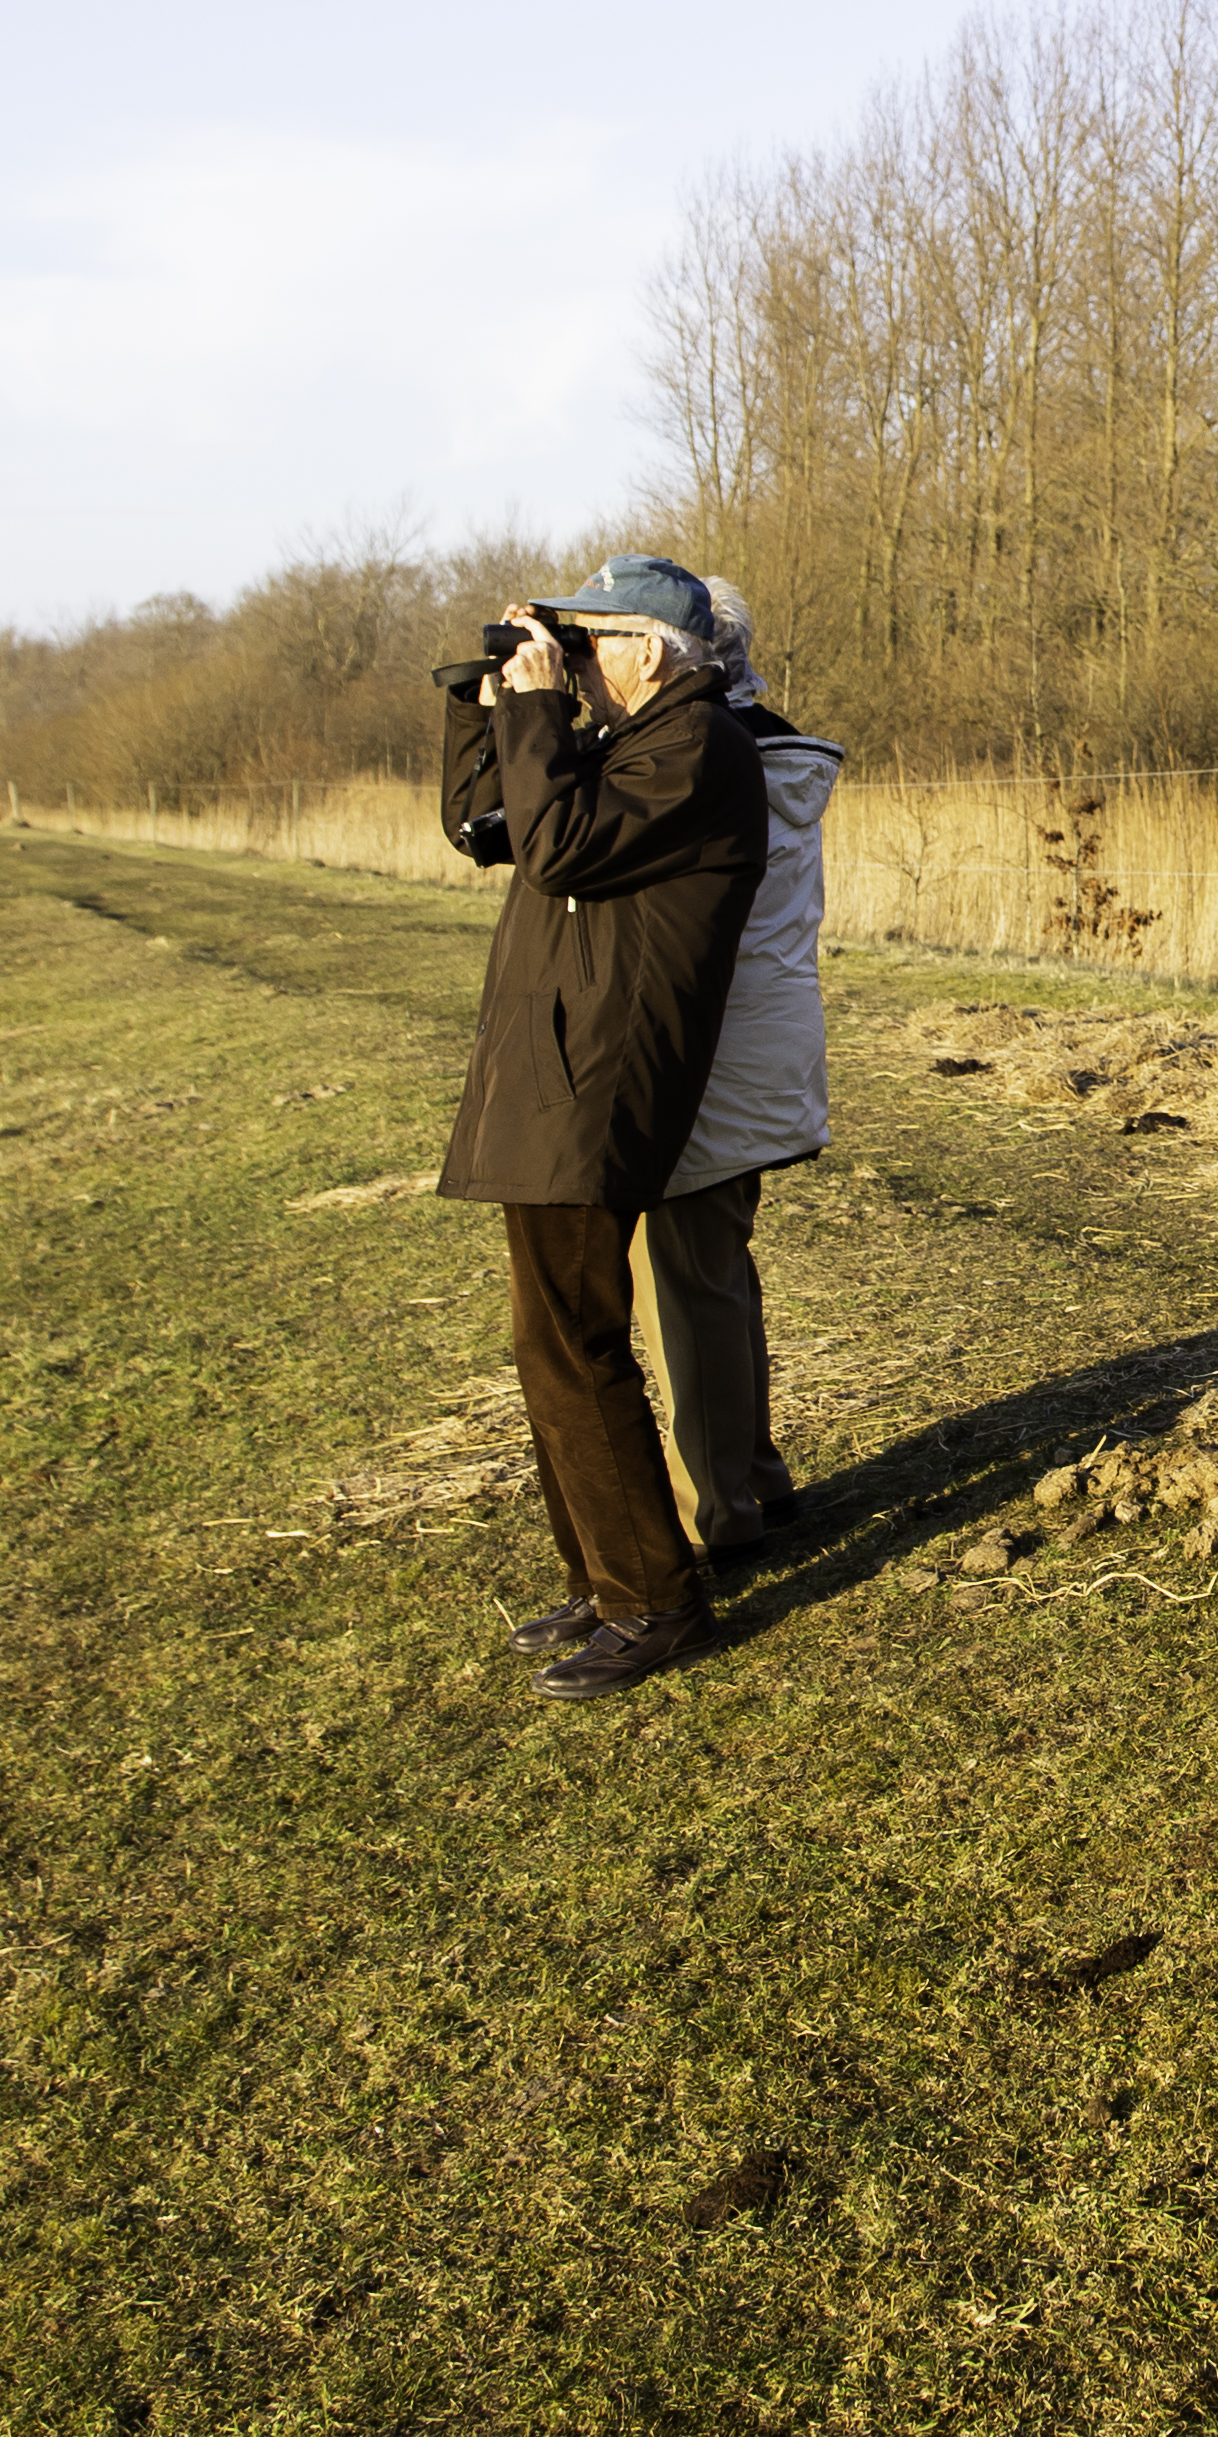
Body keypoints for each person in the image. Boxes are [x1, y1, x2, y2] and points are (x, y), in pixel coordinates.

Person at [432, 555, 764, 1697]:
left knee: (576, 1337)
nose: (573, 664)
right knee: (548, 1339)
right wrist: (494, 710)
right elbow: (488, 826)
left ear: (651, 650)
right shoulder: (625, 744)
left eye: (590, 642)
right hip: (554, 1072)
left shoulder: (697, 747)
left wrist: (538, 710)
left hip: (604, 1081)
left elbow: (564, 845)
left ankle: (654, 1599)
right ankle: (606, 1571)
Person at [627, 572, 841, 1556]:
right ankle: (753, 1476)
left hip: (709, 1051)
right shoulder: (769, 746)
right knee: (715, 1272)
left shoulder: (704, 761)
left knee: (683, 1286)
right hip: (762, 1047)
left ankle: (712, 1518)